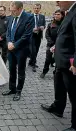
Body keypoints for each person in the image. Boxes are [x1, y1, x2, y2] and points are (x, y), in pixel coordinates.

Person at [41, 1, 76, 131]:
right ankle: (58, 108)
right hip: (60, 62)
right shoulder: (68, 12)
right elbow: (67, 36)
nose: (56, 1)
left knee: (74, 95)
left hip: (70, 64)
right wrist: (57, 46)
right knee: (59, 86)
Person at [2, 1, 34, 101]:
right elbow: (8, 32)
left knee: (20, 71)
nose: (12, 13)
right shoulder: (12, 17)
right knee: (11, 69)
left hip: (21, 50)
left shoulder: (29, 17)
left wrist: (15, 45)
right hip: (10, 49)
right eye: (11, 11)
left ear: (20, 9)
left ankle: (19, 91)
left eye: (14, 11)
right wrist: (8, 43)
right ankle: (12, 88)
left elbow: (27, 35)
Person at [40, 10, 65, 78]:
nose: (56, 16)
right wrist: (50, 41)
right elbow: (47, 34)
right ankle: (44, 71)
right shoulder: (51, 24)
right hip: (50, 44)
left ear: (62, 15)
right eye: (55, 14)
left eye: (58, 14)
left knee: (57, 60)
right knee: (48, 59)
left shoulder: (64, 24)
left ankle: (55, 73)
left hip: (60, 45)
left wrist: (58, 43)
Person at [28, 3, 46, 72]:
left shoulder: (42, 16)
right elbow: (26, 26)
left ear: (40, 9)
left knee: (37, 50)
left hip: (38, 35)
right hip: (31, 36)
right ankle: (33, 64)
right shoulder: (29, 16)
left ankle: (30, 61)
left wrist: (43, 27)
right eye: (35, 8)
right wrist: (31, 29)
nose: (36, 9)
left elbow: (44, 25)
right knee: (33, 50)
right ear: (33, 8)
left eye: (38, 8)